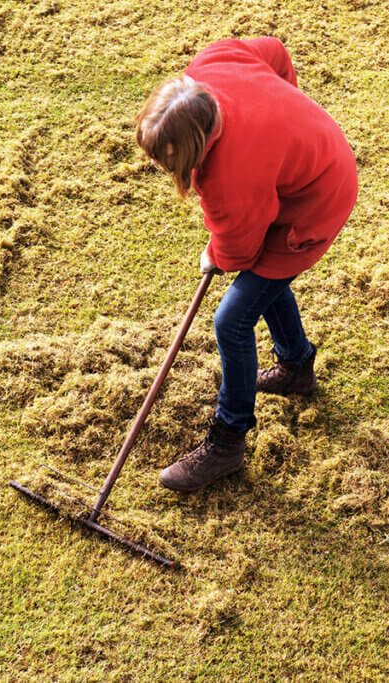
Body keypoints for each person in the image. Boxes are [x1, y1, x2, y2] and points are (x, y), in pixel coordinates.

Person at [134, 37, 358, 492]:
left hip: (317, 201)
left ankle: (228, 441)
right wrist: (287, 115)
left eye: (168, 159)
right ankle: (296, 369)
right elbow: (274, 51)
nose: (159, 165)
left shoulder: (230, 176)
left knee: (232, 319)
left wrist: (214, 253)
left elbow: (239, 250)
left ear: (197, 143)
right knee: (265, 282)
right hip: (307, 164)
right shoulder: (213, 62)